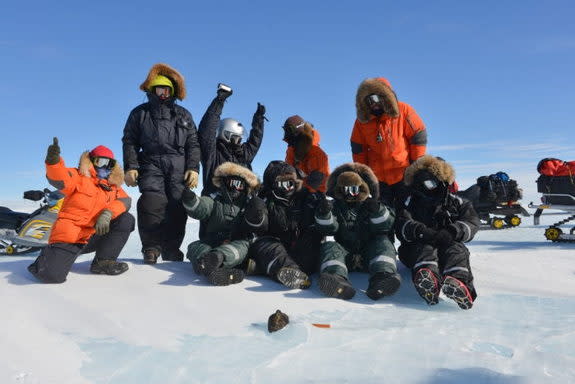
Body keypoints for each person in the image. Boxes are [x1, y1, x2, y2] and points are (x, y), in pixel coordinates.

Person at [122, 63, 201, 264]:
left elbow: (193, 143)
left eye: (167, 90)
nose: (163, 94)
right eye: (159, 89)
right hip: (150, 163)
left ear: (172, 91)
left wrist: (193, 168)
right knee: (151, 202)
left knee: (177, 205)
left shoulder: (183, 115)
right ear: (151, 90)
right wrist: (130, 166)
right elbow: (130, 140)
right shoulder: (140, 113)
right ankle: (151, 247)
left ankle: (171, 249)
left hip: (179, 166)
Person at [28, 138, 134, 283]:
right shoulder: (78, 177)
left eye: (110, 163)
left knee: (126, 219)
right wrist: (54, 162)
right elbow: (60, 177)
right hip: (71, 238)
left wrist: (108, 213)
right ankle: (47, 257)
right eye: (100, 162)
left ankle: (103, 262)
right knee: (51, 277)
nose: (105, 167)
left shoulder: (112, 186)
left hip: (92, 236)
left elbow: (125, 200)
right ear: (91, 161)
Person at [395, 155, 479, 309]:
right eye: (420, 182)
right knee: (424, 248)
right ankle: (427, 280)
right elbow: (401, 224)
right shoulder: (409, 202)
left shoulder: (457, 202)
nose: (425, 187)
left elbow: (471, 222)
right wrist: (420, 231)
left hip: (448, 244)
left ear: (441, 181)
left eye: (429, 182)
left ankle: (459, 284)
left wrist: (452, 231)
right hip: (416, 247)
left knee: (456, 249)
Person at [315, 163, 400, 300]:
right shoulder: (335, 205)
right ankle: (336, 278)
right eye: (345, 189)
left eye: (354, 188)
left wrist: (377, 210)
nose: (349, 193)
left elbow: (386, 224)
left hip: (370, 255)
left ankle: (382, 277)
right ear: (338, 189)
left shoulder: (372, 203)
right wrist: (324, 213)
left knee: (383, 242)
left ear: (363, 187)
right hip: (345, 255)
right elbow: (329, 229)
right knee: (329, 246)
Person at [350, 77, 427, 208]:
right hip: (379, 181)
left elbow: (418, 137)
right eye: (368, 100)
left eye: (375, 98)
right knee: (383, 217)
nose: (373, 103)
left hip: (404, 176)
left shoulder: (404, 110)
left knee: (407, 212)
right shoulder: (361, 122)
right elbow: (358, 149)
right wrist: (364, 174)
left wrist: (416, 166)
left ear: (385, 96)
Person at [244, 161, 322, 287]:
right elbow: (258, 229)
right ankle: (292, 273)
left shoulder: (304, 197)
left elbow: (315, 219)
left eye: (290, 183)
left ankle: (261, 268)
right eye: (282, 184)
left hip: (296, 245)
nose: (287, 188)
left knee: (312, 242)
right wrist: (256, 212)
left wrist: (319, 197)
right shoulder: (265, 199)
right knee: (270, 247)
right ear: (273, 184)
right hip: (272, 243)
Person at [182, 162, 259, 286]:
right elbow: (202, 206)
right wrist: (190, 199)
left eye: (240, 184)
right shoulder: (215, 199)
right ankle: (209, 264)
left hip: (236, 242)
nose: (235, 187)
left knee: (241, 247)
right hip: (212, 240)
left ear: (246, 187)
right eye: (232, 183)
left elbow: (256, 224)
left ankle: (217, 258)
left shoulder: (248, 205)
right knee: (194, 246)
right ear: (224, 182)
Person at [198, 83, 266, 196]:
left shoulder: (242, 155)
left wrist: (258, 120)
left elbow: (255, 142)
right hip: (215, 204)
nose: (240, 141)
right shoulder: (212, 153)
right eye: (237, 138)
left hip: (239, 205)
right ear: (226, 134)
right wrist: (219, 101)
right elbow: (207, 129)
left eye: (240, 139)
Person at [283, 115, 329, 194]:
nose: (285, 135)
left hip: (317, 195)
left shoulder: (317, 154)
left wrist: (296, 192)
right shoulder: (291, 150)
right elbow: (288, 173)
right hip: (298, 193)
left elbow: (315, 183)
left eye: (289, 130)